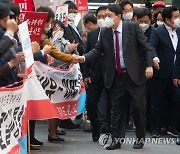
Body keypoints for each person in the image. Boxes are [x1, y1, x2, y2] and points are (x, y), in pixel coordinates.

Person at [77, 4, 153, 150]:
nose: (106, 19)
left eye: (109, 16)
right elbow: (96, 50)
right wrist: (82, 58)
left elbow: (146, 47)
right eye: (105, 16)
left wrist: (149, 65)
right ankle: (116, 139)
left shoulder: (132, 27)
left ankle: (140, 137)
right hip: (116, 76)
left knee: (138, 109)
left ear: (118, 16)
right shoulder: (105, 32)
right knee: (116, 110)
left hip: (134, 76)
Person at [150, 6, 180, 138]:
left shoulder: (179, 31)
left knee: (176, 100)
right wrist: (154, 58)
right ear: (168, 19)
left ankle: (172, 127)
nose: (178, 19)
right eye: (176, 17)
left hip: (176, 73)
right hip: (161, 72)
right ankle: (156, 128)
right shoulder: (157, 32)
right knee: (157, 101)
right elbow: (151, 46)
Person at [83, 6, 111, 142]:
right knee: (91, 103)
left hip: (112, 74)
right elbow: (87, 54)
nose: (101, 19)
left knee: (111, 104)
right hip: (95, 75)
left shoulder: (115, 33)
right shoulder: (92, 34)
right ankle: (96, 126)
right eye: (99, 17)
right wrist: (86, 74)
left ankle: (109, 129)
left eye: (104, 16)